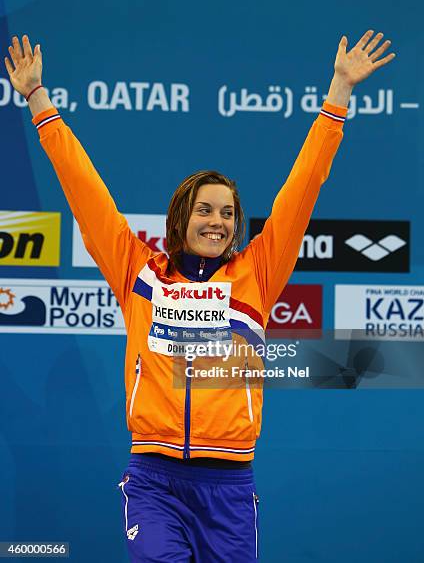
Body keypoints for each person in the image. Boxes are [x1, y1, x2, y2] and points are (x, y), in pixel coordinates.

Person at [5, 31, 395, 562]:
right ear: (180, 218)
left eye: (228, 213)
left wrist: (338, 92)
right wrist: (38, 101)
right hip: (154, 480)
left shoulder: (257, 272)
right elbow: (85, 190)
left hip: (230, 488)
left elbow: (303, 189)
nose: (218, 221)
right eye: (205, 210)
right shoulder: (139, 272)